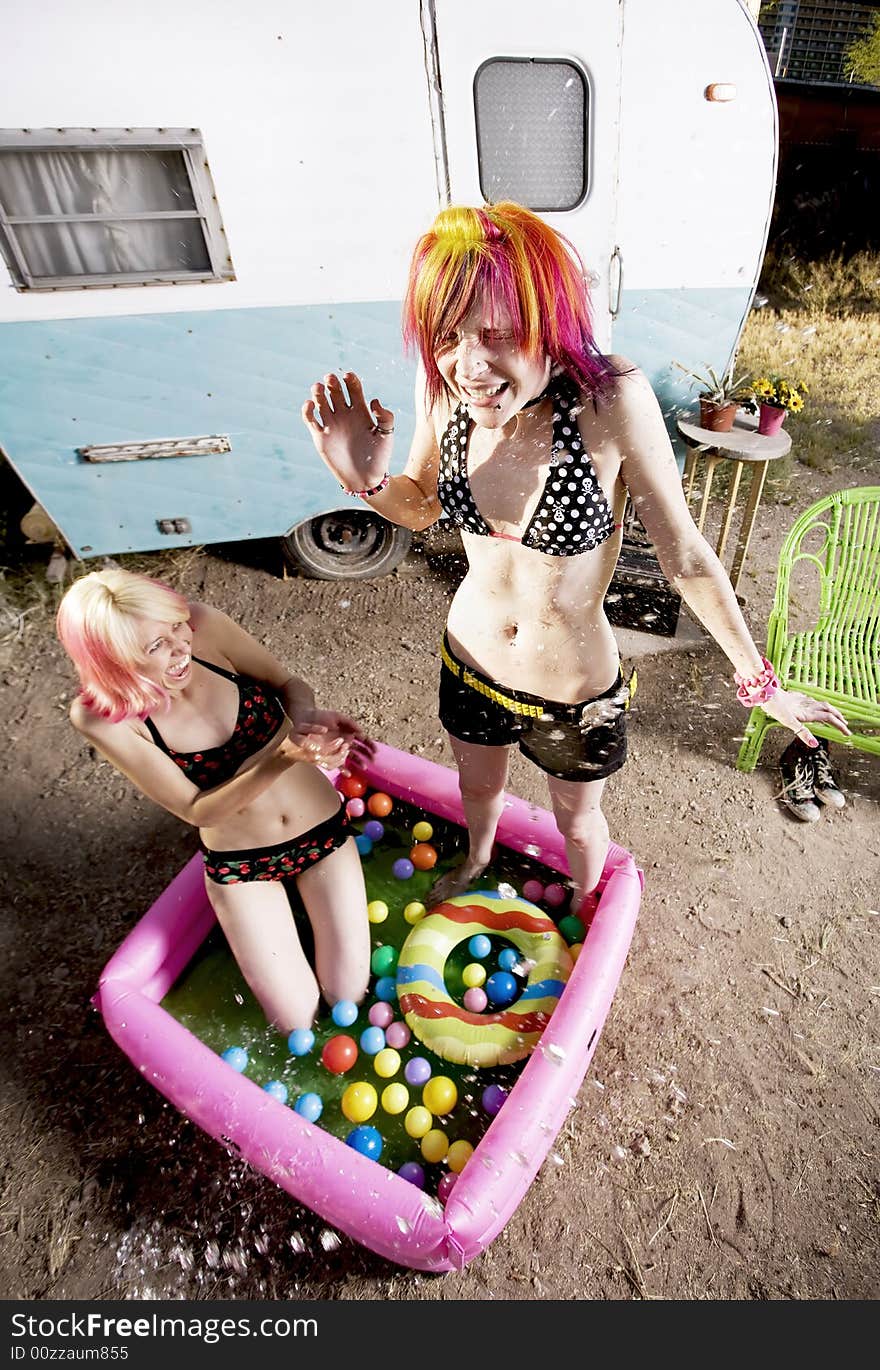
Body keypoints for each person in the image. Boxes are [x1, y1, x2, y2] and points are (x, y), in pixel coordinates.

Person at [301, 201, 850, 915]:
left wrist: (759, 683)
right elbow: (422, 506)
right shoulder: (444, 391)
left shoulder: (608, 398)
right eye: (448, 336)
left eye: (496, 333)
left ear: (547, 320)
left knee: (577, 821)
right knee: (478, 793)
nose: (469, 364)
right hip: (469, 662)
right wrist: (365, 480)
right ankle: (476, 860)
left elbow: (683, 554)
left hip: (573, 692)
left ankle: (587, 906)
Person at [56, 567, 373, 1032]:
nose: (181, 647)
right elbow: (195, 808)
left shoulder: (203, 625)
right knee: (296, 1022)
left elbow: (289, 684)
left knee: (348, 995)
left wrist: (306, 725)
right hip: (244, 866)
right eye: (155, 647)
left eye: (175, 627)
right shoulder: (103, 716)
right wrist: (283, 757)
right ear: (116, 662)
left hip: (321, 831)